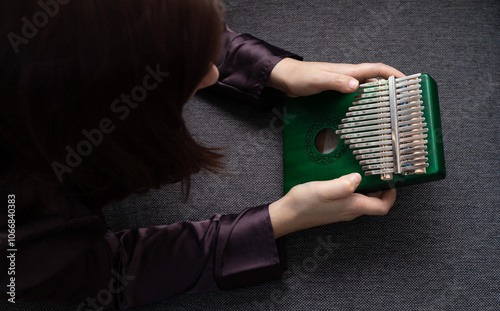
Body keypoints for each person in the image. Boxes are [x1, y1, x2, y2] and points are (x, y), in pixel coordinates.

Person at [0, 0, 400, 309]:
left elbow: (141, 23)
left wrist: (275, 71)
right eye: (191, 73)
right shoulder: (19, 232)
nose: (212, 74)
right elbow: (109, 273)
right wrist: (277, 222)